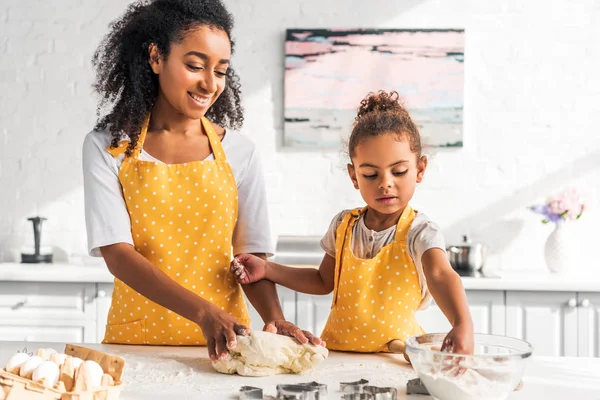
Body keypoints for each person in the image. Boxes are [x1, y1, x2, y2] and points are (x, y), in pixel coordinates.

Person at [82, 0, 321, 361]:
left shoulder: (240, 152)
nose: (210, 83)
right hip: (136, 346)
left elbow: (249, 259)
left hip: (227, 347)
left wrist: (276, 320)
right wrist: (203, 313)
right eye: (195, 65)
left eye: (221, 70)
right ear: (156, 58)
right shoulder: (108, 147)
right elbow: (118, 255)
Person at [232, 90, 474, 354]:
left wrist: (462, 323)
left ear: (420, 169)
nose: (385, 183)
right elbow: (322, 281)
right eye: (370, 174)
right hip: (337, 354)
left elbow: (440, 275)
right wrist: (268, 269)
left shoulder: (420, 232)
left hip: (395, 357)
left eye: (399, 171)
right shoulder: (343, 226)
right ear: (353, 175)